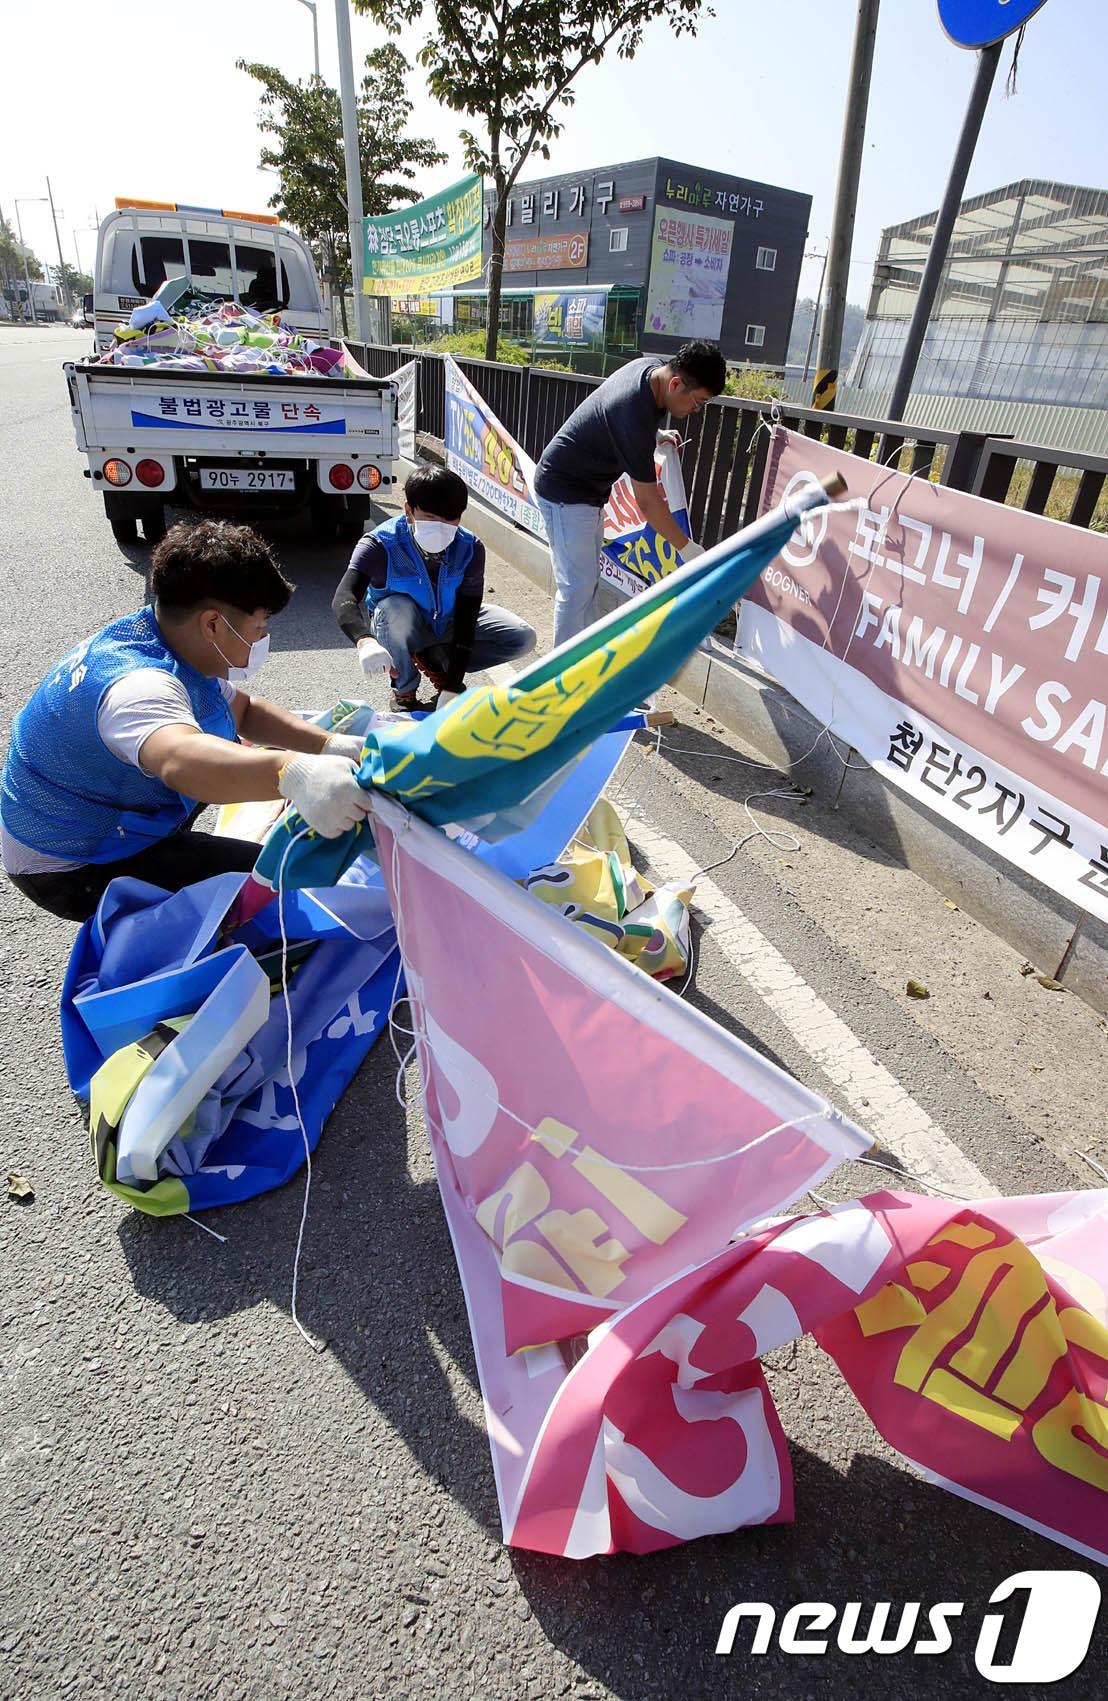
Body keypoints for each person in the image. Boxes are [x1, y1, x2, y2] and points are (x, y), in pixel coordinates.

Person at [1, 520, 372, 923]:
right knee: (283, 888)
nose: (264, 638)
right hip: (71, 863)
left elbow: (242, 710)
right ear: (213, 624)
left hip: (98, 815)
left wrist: (328, 745)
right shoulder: (139, 686)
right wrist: (292, 771)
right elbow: (182, 761)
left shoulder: (167, 637)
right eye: (260, 626)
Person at [533, 339, 728, 647]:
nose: (696, 410)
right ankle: (561, 680)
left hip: (588, 490)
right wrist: (687, 549)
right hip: (564, 491)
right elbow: (649, 503)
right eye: (699, 402)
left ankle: (583, 661)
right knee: (577, 588)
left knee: (587, 582)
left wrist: (656, 434)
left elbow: (626, 421)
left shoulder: (650, 370)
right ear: (677, 383)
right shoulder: (633, 412)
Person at [332, 465, 536, 710]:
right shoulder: (380, 545)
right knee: (394, 608)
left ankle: (437, 659)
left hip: (448, 622)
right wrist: (364, 641)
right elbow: (344, 596)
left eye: (450, 519)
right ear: (408, 511)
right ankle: (404, 690)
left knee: (523, 637)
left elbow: (467, 616)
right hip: (401, 625)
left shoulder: (470, 548)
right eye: (430, 517)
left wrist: (452, 685)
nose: (441, 526)